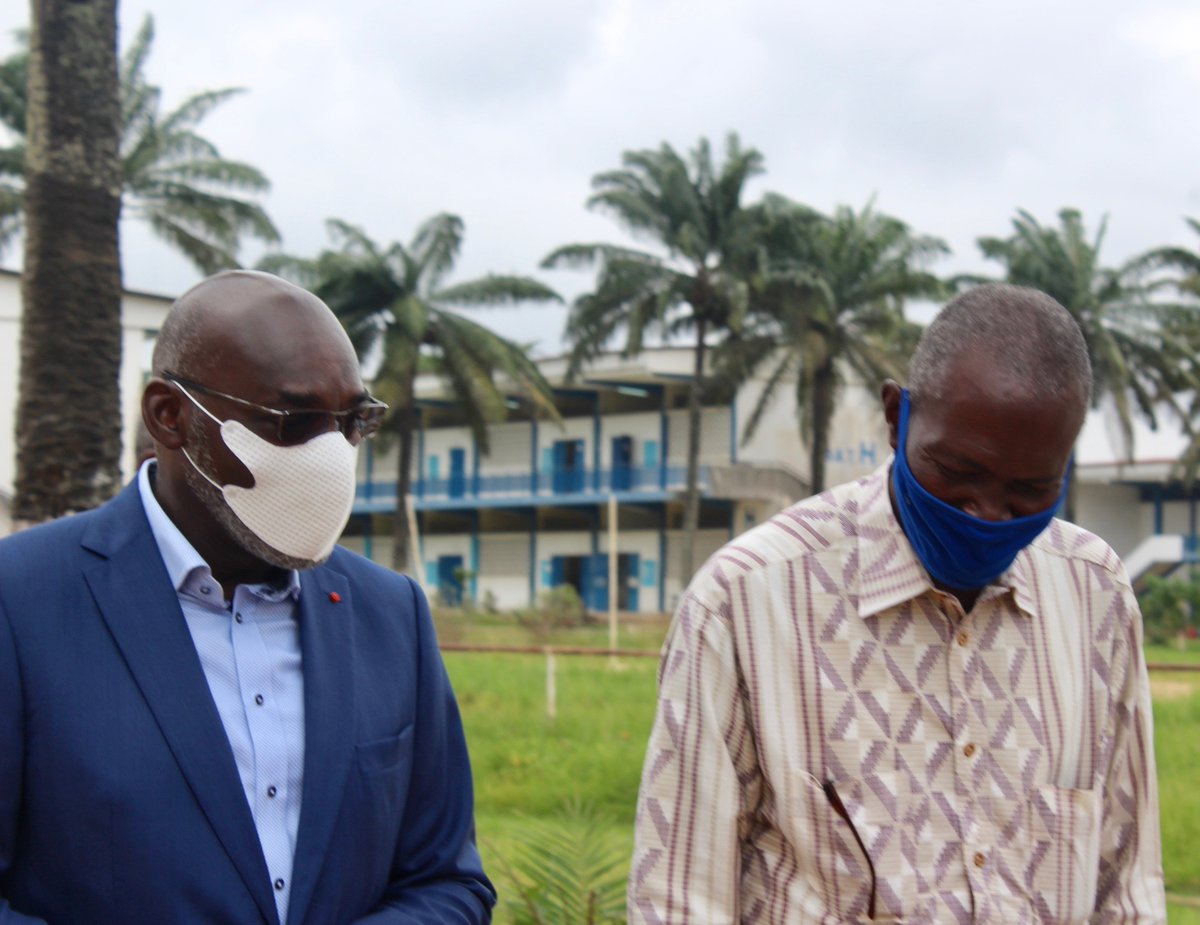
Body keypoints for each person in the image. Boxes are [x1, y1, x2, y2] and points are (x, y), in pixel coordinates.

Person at [628, 284, 1166, 923]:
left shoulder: (1094, 594)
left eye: (1030, 488)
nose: (986, 513)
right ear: (895, 417)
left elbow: (1127, 886)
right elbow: (680, 899)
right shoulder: (746, 602)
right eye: (957, 472)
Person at [0, 270, 495, 924]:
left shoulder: (391, 612)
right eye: (294, 420)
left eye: (353, 421)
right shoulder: (21, 600)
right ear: (170, 416)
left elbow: (448, 880)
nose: (330, 455)